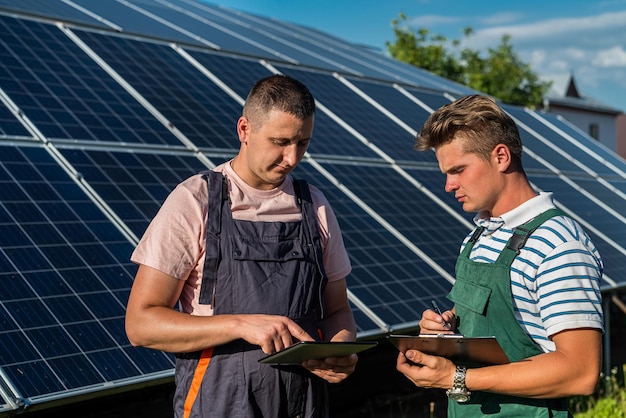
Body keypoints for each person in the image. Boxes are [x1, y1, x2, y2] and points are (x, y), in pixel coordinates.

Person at [125, 74, 358, 418]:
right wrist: (239, 325)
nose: (292, 158)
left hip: (303, 405)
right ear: (244, 129)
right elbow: (141, 325)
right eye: (280, 141)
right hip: (217, 404)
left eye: (303, 143)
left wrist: (340, 350)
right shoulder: (195, 200)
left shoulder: (315, 206)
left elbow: (338, 310)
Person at [396, 94, 604, 417]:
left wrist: (457, 378)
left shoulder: (557, 244)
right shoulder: (479, 235)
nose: (448, 186)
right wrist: (443, 332)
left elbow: (581, 371)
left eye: (458, 170)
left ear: (501, 157)